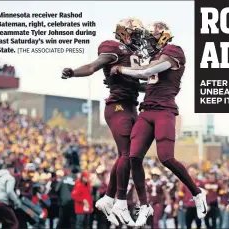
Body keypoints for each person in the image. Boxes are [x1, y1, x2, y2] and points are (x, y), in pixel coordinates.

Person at [110, 21, 207, 227]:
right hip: (147, 111)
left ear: (163, 37)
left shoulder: (174, 51)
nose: (148, 42)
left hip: (165, 111)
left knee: (166, 158)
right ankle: (144, 205)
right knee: (133, 157)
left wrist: (121, 69)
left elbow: (145, 72)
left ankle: (197, 193)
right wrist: (121, 81)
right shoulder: (155, 57)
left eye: (151, 37)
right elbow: (148, 82)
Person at [61, 17, 145, 227]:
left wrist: (160, 85)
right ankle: (118, 202)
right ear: (124, 33)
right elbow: (91, 67)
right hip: (117, 106)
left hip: (131, 106)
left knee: (129, 156)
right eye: (134, 33)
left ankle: (108, 198)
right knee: (126, 154)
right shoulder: (113, 49)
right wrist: (73, 72)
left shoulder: (134, 55)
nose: (137, 38)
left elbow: (138, 85)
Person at [0, 163, 22, 229]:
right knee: (14, 223)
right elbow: (9, 191)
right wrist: (17, 201)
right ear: (10, 169)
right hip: (2, 203)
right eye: (13, 170)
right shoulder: (10, 178)